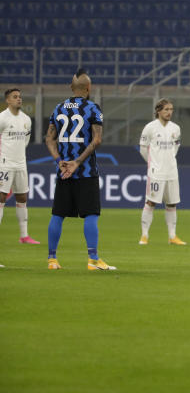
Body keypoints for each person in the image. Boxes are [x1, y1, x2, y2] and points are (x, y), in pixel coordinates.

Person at [44, 69, 115, 270]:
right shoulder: (93, 108)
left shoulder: (58, 108)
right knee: (91, 214)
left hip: (63, 171)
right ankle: (93, 259)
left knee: (58, 214)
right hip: (85, 171)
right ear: (88, 88)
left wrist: (60, 161)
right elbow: (97, 139)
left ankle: (52, 259)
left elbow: (49, 138)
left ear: (70, 88)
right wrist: (77, 162)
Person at [138, 98, 186, 245]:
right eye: (166, 109)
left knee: (172, 204)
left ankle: (172, 236)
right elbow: (143, 149)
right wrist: (153, 163)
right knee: (151, 202)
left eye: (171, 109)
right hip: (156, 172)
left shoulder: (175, 128)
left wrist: (168, 160)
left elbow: (175, 148)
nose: (169, 112)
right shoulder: (150, 127)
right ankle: (144, 235)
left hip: (172, 171)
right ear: (158, 111)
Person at [0, 88, 40, 244]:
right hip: (5, 164)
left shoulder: (26, 119)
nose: (19, 99)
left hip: (21, 164)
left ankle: (24, 236)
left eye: (20, 96)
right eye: (15, 97)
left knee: (22, 197)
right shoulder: (2, 118)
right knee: (1, 197)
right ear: (7, 100)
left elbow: (25, 141)